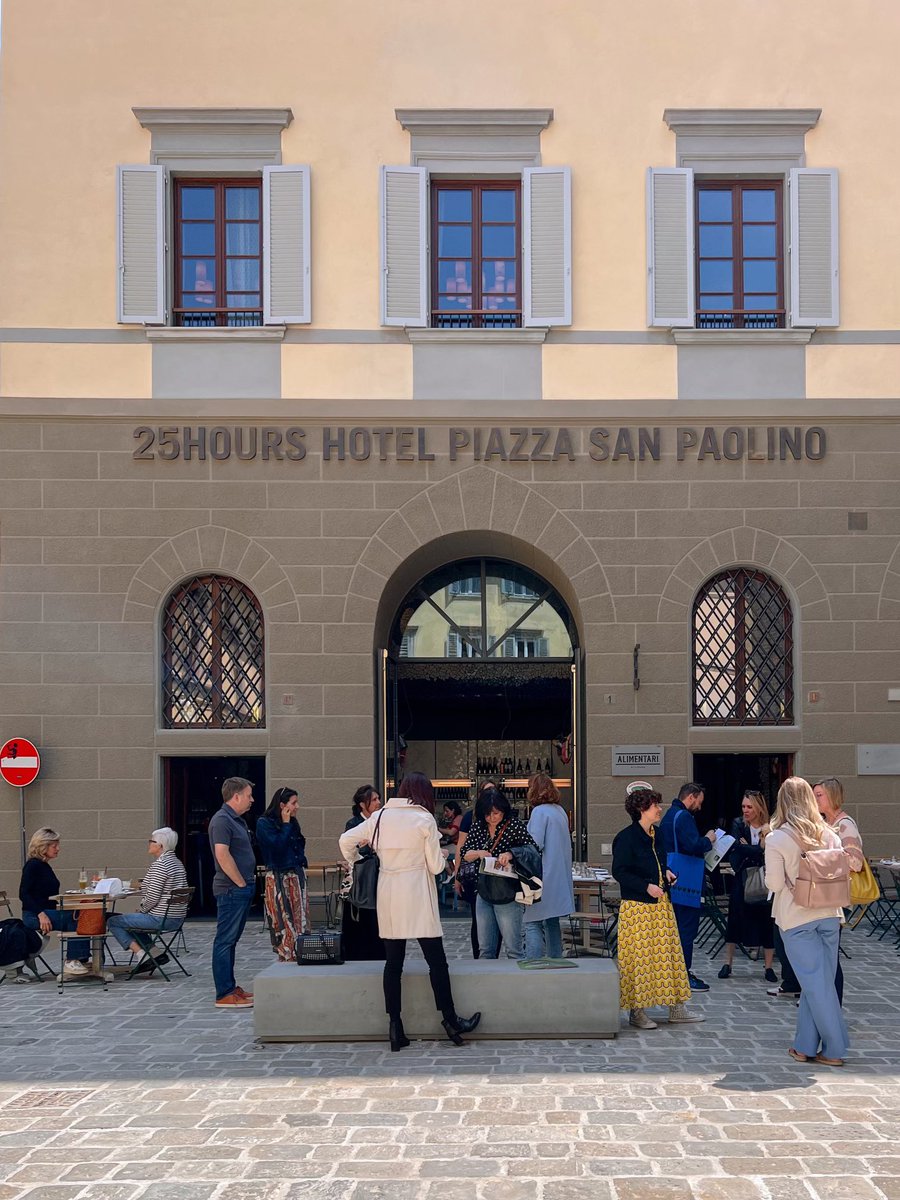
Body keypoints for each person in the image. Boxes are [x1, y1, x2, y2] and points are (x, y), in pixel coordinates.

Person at [338, 772, 480, 1050]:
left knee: (393, 964)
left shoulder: (379, 817)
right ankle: (450, 1021)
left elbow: (345, 841)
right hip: (417, 892)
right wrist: (442, 857)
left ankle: (395, 1027)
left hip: (389, 892)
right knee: (436, 962)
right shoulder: (424, 819)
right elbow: (437, 867)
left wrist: (357, 859)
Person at [764, 776, 849, 1067]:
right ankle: (804, 1046)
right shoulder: (830, 834)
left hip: (796, 916)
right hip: (830, 914)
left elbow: (774, 883)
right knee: (818, 982)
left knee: (815, 985)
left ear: (782, 801)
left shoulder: (777, 838)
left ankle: (836, 1048)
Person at [611, 786, 703, 1030]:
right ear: (642, 809)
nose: (659, 809)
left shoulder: (657, 833)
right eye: (655, 806)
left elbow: (659, 862)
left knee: (669, 956)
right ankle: (637, 1011)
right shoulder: (626, 837)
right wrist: (645, 886)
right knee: (640, 961)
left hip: (661, 904)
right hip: (638, 907)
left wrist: (667, 874)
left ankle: (676, 1008)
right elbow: (620, 872)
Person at [657, 782, 718, 991]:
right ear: (691, 797)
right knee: (686, 928)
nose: (699, 807)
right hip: (686, 879)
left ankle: (674, 972)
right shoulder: (683, 817)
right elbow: (692, 845)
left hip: (674, 876)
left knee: (677, 927)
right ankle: (683, 974)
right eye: (699, 802)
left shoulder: (670, 815)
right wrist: (708, 840)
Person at [462, 788, 536, 960]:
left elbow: (532, 850)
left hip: (508, 892)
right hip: (483, 889)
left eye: (496, 813)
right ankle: (486, 984)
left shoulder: (514, 825)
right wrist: (479, 853)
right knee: (485, 949)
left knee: (514, 949)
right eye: (487, 814)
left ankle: (517, 985)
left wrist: (511, 854)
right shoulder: (478, 826)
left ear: (503, 810)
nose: (492, 818)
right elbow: (465, 852)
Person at [106, 828, 188, 972]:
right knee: (131, 920)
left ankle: (141, 954)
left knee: (113, 921)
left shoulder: (160, 865)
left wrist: (143, 909)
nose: (149, 844)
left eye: (152, 841)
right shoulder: (177, 863)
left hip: (161, 918)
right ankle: (156, 953)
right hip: (177, 917)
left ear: (160, 846)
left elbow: (153, 897)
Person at [814, 775, 864, 1007]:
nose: (815, 800)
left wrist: (823, 858)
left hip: (837, 898)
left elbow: (855, 862)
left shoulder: (845, 825)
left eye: (819, 795)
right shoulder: (826, 824)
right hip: (825, 897)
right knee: (824, 955)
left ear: (833, 796)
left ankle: (833, 1004)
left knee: (830, 956)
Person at [717, 791, 777, 983]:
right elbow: (736, 848)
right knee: (735, 919)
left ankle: (768, 967)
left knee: (766, 921)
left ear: (759, 807)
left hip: (764, 879)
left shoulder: (771, 826)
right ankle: (728, 963)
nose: (745, 810)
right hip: (742, 879)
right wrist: (759, 848)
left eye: (749, 807)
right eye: (743, 806)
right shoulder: (738, 824)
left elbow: (771, 851)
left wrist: (750, 849)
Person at [208, 776, 257, 1009]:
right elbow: (222, 854)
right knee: (225, 941)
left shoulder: (236, 820)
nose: (252, 800)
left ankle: (230, 986)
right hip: (231, 889)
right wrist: (239, 883)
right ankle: (224, 992)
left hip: (240, 887)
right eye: (248, 795)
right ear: (236, 796)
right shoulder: (222, 820)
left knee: (231, 940)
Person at [19, 827, 90, 977]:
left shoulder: (43, 866)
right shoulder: (32, 866)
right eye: (54, 845)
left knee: (83, 913)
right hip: (34, 916)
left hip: (46, 912)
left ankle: (82, 958)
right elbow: (23, 894)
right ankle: (73, 960)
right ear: (43, 846)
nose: (58, 849)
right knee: (76, 917)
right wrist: (41, 914)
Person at [256, 788, 309, 963]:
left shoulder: (292, 823)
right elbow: (276, 847)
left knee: (299, 917)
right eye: (293, 803)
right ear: (282, 805)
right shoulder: (265, 823)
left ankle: (300, 950)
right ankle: (286, 953)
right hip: (279, 875)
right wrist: (286, 824)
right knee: (283, 917)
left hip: (295, 873)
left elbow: (297, 845)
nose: (297, 807)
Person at [523, 774, 574, 960]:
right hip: (559, 875)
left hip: (542, 877)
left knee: (532, 922)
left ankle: (534, 963)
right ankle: (555, 960)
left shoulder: (539, 812)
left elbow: (535, 846)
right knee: (552, 922)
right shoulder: (559, 810)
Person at [341, 784, 386, 962]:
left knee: (377, 915)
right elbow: (349, 848)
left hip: (379, 873)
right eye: (373, 800)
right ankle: (356, 953)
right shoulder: (353, 824)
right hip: (360, 874)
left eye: (378, 799)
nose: (378, 802)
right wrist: (364, 848)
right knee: (358, 912)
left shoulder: (382, 821)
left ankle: (379, 952)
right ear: (362, 804)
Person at [455, 793, 490, 959]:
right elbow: (462, 848)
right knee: (478, 921)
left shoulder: (508, 822)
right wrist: (456, 877)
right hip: (475, 879)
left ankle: (491, 956)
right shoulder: (471, 819)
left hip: (500, 881)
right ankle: (480, 957)